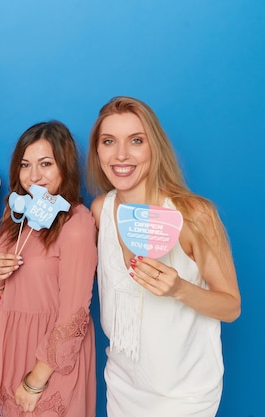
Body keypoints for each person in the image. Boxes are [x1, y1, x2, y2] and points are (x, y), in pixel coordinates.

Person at [86, 96, 241, 417]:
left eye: (136, 141)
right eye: (109, 141)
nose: (121, 155)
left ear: (154, 147)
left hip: (184, 392)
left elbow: (231, 307)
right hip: (123, 383)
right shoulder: (101, 210)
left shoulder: (194, 215)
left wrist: (179, 289)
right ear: (97, 151)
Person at [0, 121, 97, 417]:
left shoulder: (76, 224)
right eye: (25, 165)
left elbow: (75, 310)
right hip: (14, 343)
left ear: (65, 166)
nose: (34, 176)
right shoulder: (16, 216)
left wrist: (36, 380)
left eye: (45, 164)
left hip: (50, 356)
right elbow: (3, 284)